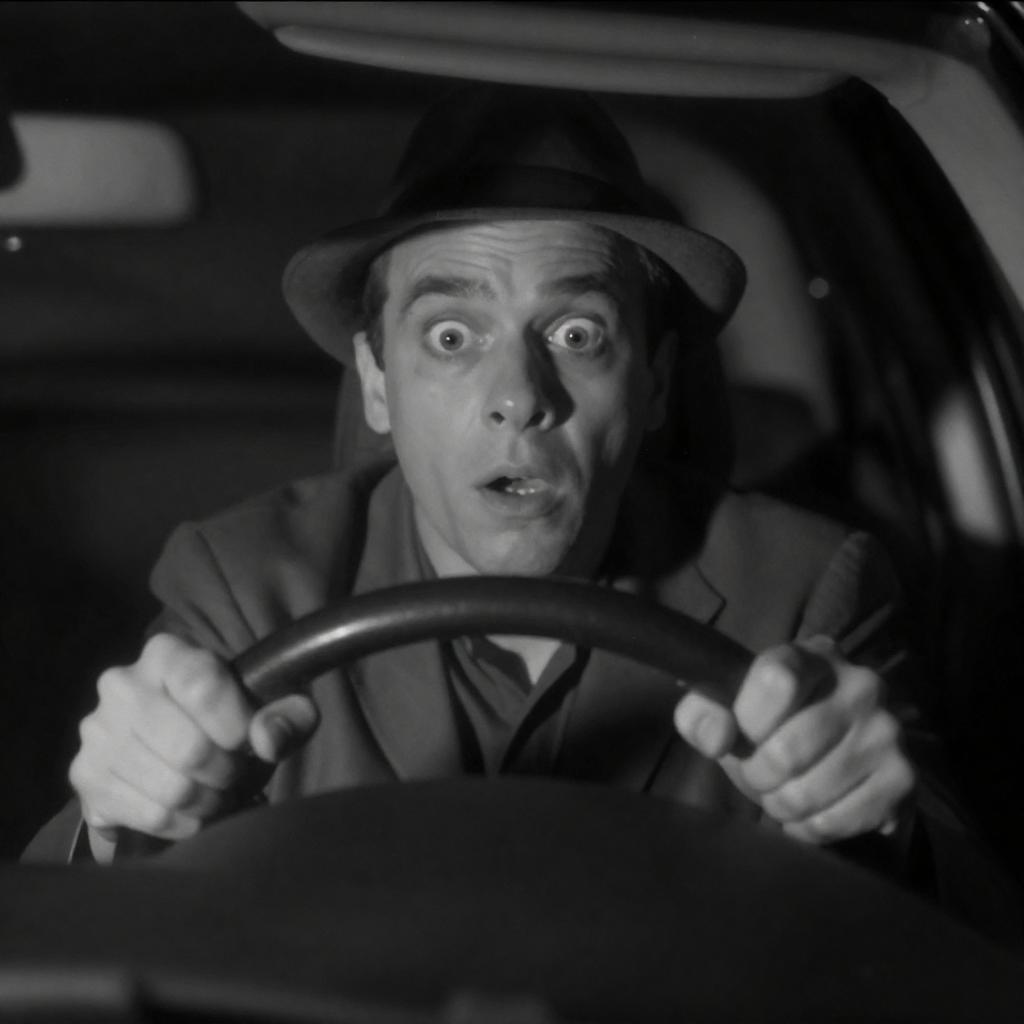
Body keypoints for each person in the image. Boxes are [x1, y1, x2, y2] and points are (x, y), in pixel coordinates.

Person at [24, 87, 1018, 936]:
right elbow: (65, 930)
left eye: (577, 333)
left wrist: (885, 826)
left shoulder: (804, 589)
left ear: (656, 381)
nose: (518, 396)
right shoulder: (243, 583)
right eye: (451, 336)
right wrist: (117, 818)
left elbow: (981, 941)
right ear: (377, 382)